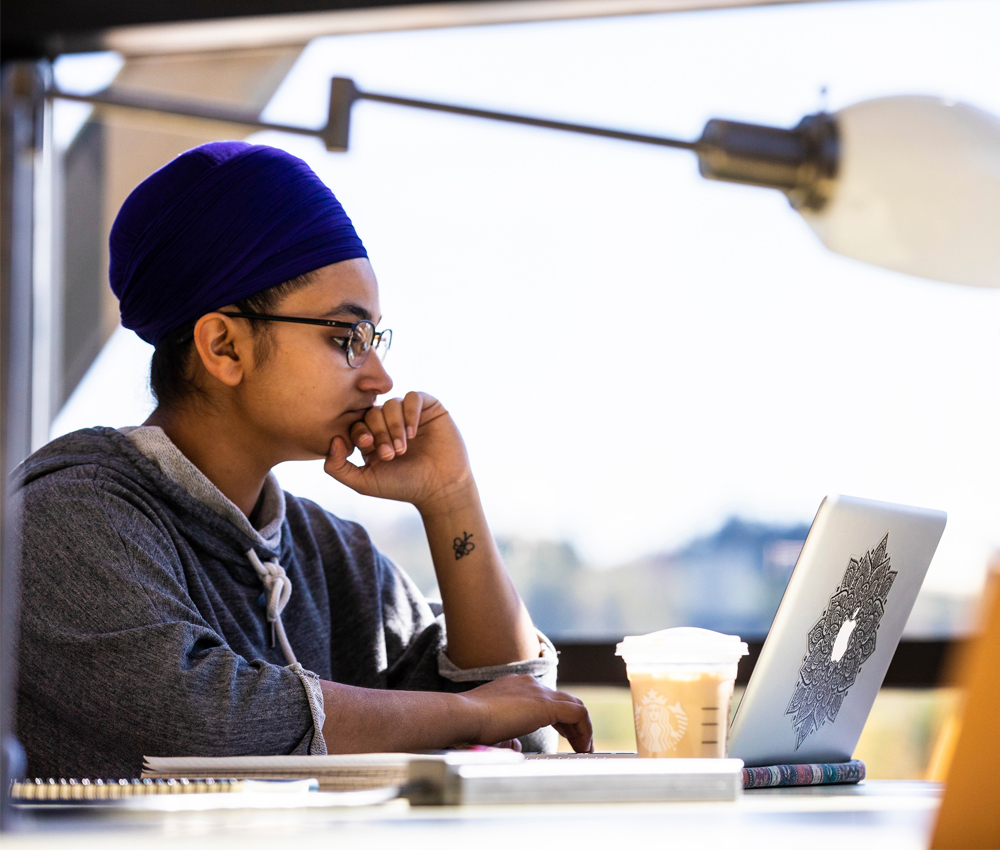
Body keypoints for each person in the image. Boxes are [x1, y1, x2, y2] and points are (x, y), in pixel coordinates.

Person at [14, 141, 592, 778]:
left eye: (375, 338)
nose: (379, 377)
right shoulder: (64, 518)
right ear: (224, 346)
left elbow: (528, 730)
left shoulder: (331, 555)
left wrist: (450, 498)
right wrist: (473, 716)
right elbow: (205, 724)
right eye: (347, 338)